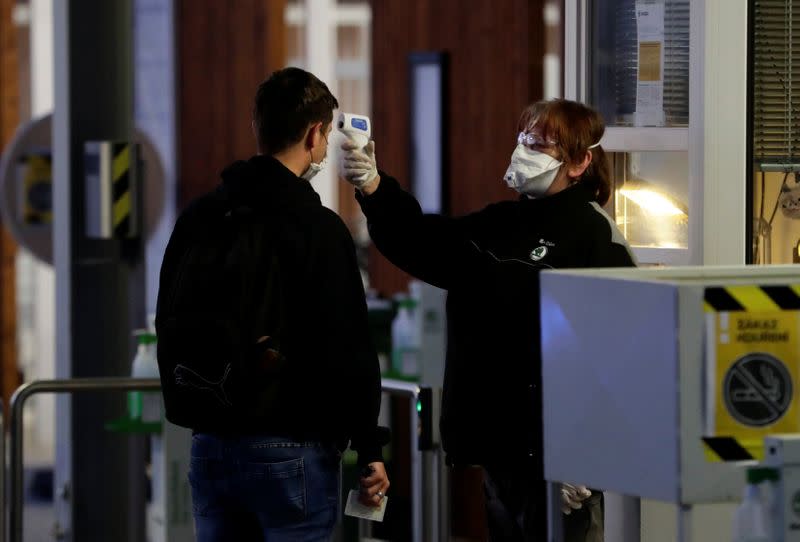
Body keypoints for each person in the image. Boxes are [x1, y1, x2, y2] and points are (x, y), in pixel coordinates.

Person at [340, 98, 636, 541]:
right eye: (522, 139)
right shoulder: (501, 223)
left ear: (580, 162)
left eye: (539, 143)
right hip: (502, 453)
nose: (523, 150)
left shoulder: (596, 238)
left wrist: (586, 457)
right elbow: (426, 244)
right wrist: (375, 186)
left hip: (562, 467)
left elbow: (620, 356)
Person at [158, 67, 389, 541]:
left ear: (257, 128)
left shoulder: (199, 218)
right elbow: (349, 346)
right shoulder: (318, 229)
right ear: (314, 133)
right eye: (325, 136)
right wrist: (369, 446)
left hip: (210, 441)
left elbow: (168, 316)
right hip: (291, 446)